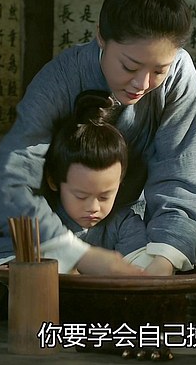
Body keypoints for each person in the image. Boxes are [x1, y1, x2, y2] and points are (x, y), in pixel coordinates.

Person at [0, 0, 196, 311]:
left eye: (159, 70)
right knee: (39, 297)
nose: (141, 84)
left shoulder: (180, 77)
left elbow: (182, 178)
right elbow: (12, 183)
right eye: (129, 66)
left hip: (129, 233)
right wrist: (78, 255)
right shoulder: (60, 78)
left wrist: (162, 262)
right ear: (101, 37)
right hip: (47, 234)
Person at [43, 90, 150, 270]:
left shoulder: (125, 224)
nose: (93, 208)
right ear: (53, 181)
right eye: (81, 196)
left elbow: (138, 272)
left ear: (120, 182)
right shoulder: (43, 222)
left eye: (104, 197)